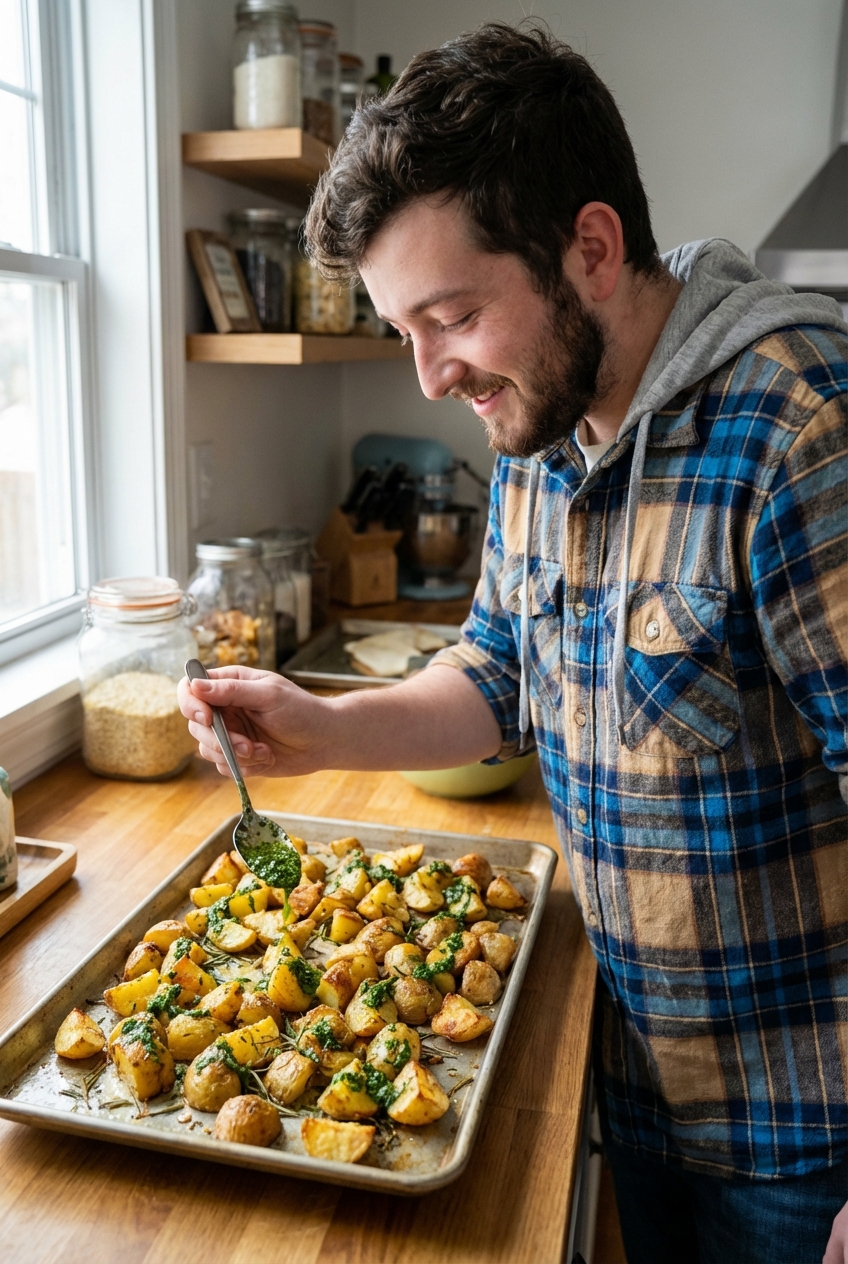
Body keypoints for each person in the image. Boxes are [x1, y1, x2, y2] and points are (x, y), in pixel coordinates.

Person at [179, 23, 848, 1264]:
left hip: (804, 1136)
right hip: (640, 1073)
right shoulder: (537, 424)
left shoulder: (800, 427)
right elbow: (497, 672)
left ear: (588, 249)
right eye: (403, 333)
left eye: (452, 316)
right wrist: (322, 728)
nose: (430, 376)